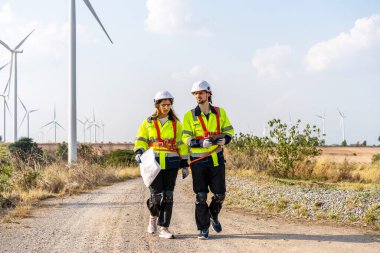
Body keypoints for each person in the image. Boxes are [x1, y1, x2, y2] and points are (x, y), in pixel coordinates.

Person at [182, 80, 234, 240]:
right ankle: (203, 228)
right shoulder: (189, 115)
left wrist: (225, 139)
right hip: (198, 162)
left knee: (220, 195)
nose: (198, 95)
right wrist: (198, 142)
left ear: (208, 94)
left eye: (201, 92)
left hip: (216, 160)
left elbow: (229, 130)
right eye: (195, 93)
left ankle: (212, 214)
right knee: (201, 196)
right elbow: (186, 137)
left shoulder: (220, 112)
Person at [134, 91, 189, 239]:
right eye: (163, 104)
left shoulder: (176, 124)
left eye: (169, 105)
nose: (166, 107)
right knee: (156, 196)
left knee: (169, 195)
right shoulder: (148, 122)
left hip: (171, 164)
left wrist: (185, 164)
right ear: (157, 105)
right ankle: (153, 217)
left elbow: (181, 145)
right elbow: (141, 139)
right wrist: (139, 151)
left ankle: (164, 227)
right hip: (154, 164)